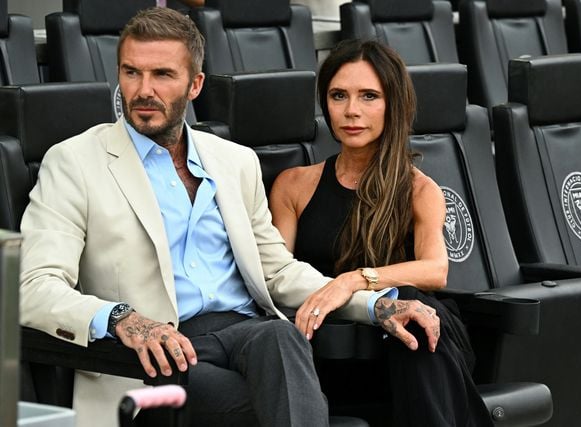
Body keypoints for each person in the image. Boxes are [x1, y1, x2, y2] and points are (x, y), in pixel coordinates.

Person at [19, 8, 441, 427]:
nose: (144, 90)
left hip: (244, 333)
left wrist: (375, 305)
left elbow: (278, 271)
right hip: (156, 349)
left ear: (195, 84)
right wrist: (121, 318)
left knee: (280, 336)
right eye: (131, 73)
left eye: (163, 75)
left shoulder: (234, 161)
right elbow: (33, 287)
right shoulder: (75, 162)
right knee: (282, 404)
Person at [269, 39, 494, 426]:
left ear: (393, 104)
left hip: (412, 350)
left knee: (410, 307)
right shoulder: (294, 185)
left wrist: (352, 281)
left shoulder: (420, 190)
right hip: (332, 347)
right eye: (339, 95)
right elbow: (275, 278)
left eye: (369, 96)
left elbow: (435, 270)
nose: (352, 111)